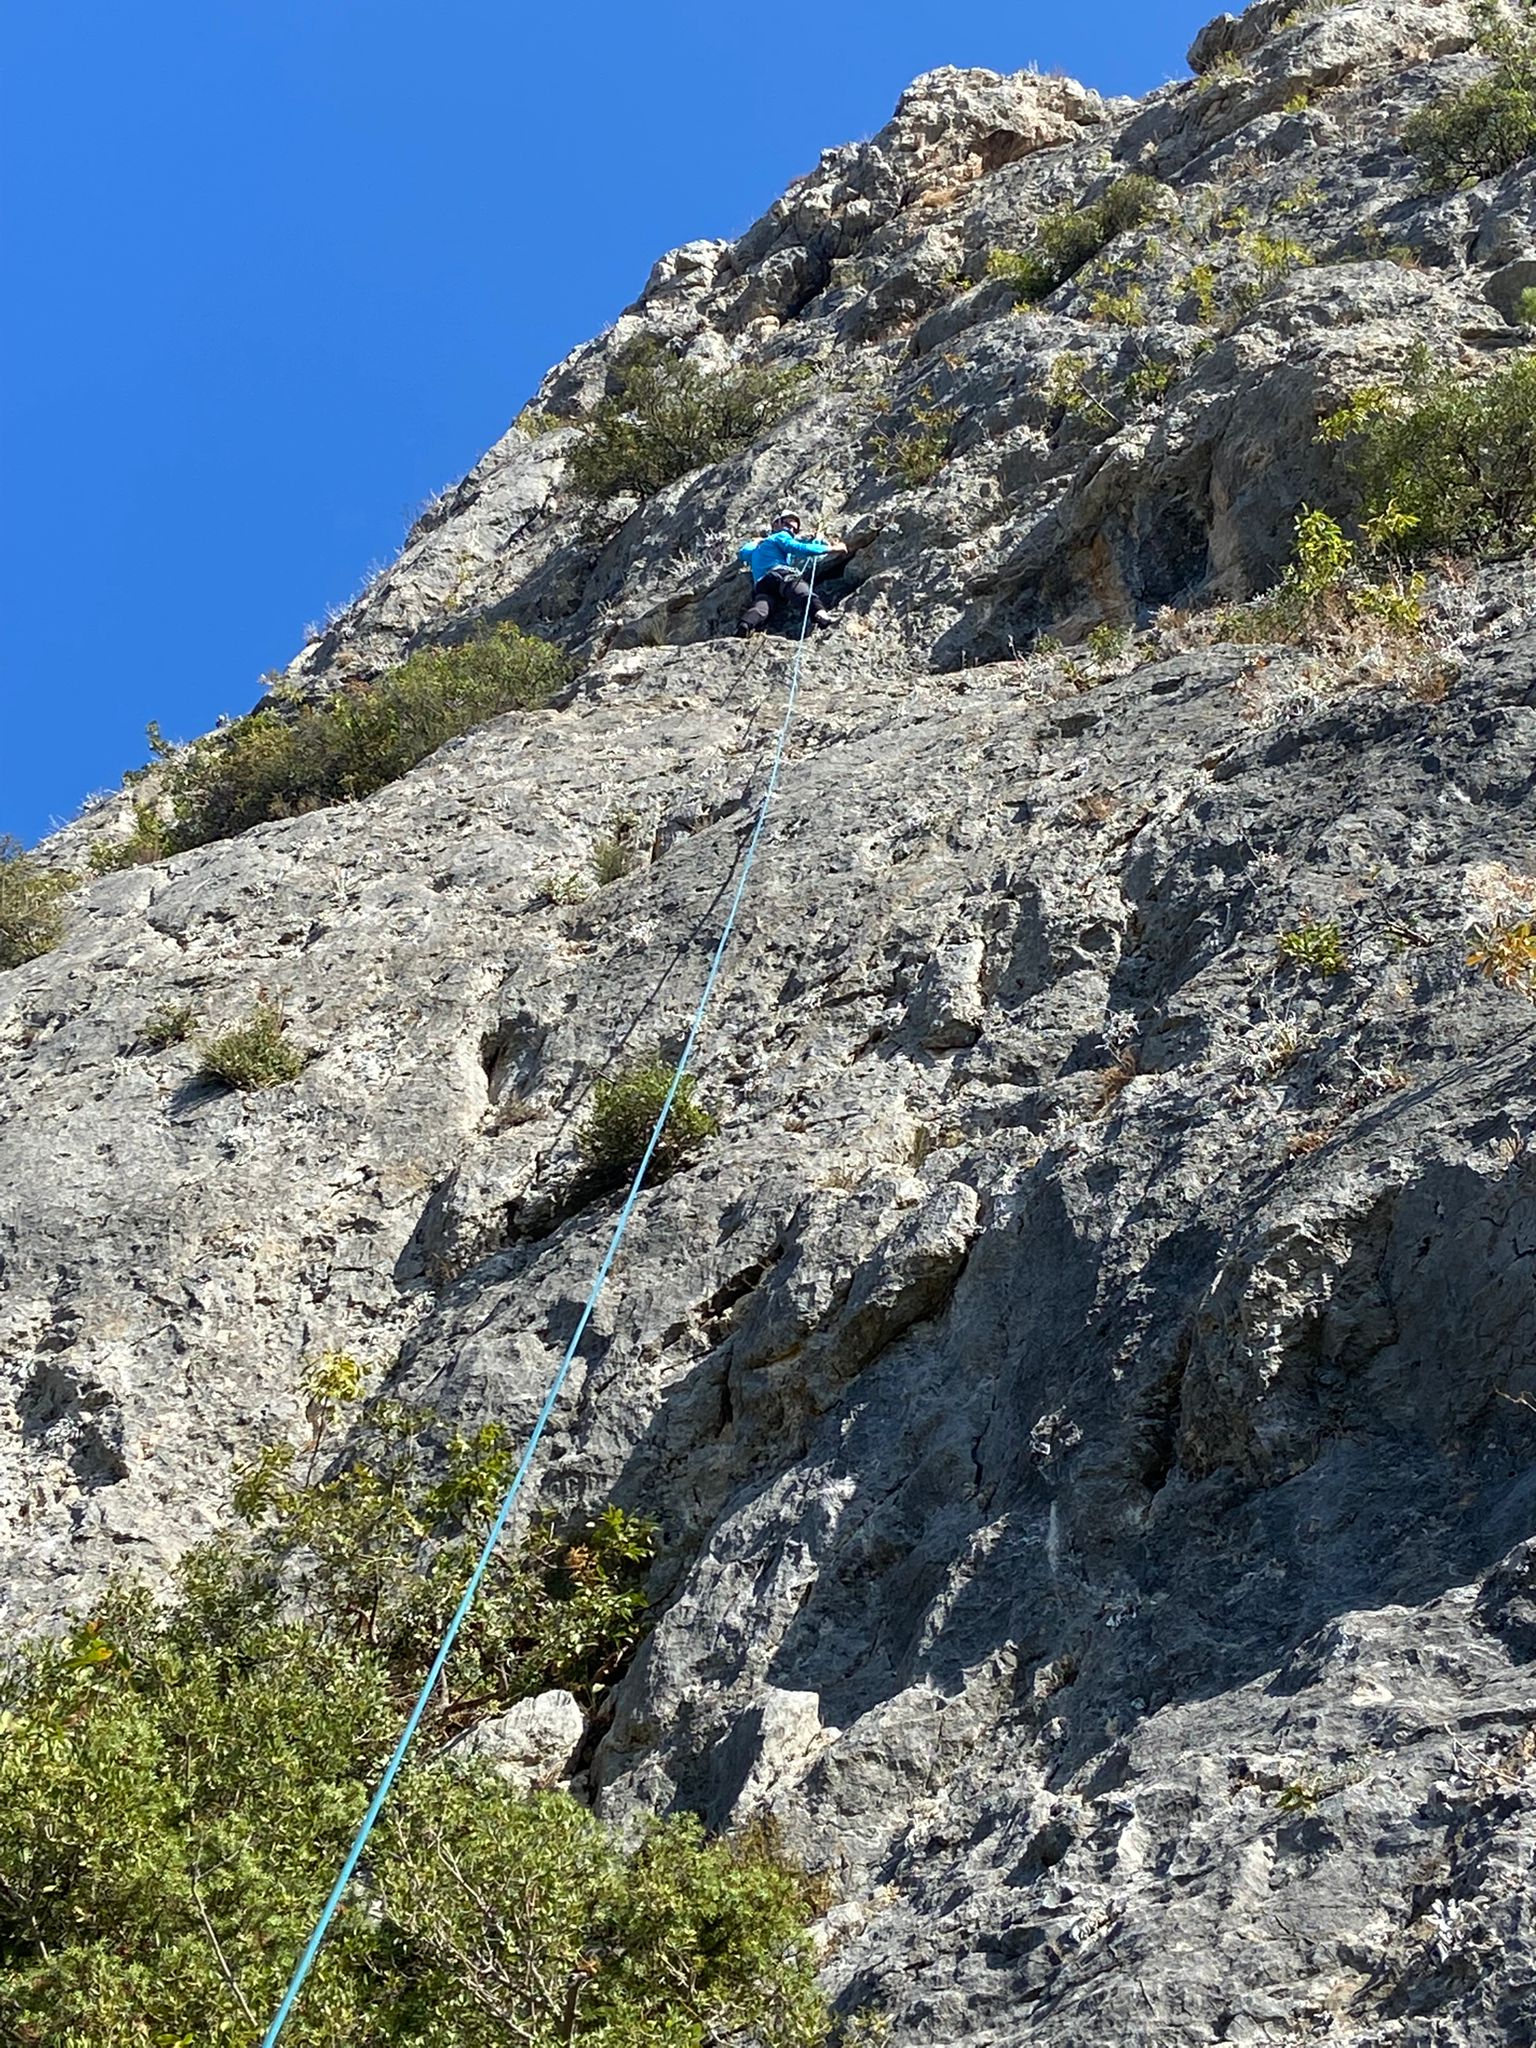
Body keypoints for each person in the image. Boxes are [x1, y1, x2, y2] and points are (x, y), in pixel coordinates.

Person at [735, 514, 851, 638]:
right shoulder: (780, 536)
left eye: (794, 529)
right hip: (779, 574)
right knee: (800, 589)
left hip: (762, 584)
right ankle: (820, 614)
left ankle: (746, 624)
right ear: (776, 525)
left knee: (763, 605)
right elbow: (798, 548)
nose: (790, 530)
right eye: (787, 525)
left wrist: (756, 541)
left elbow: (743, 553)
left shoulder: (758, 549)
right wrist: (832, 548)